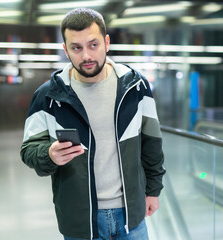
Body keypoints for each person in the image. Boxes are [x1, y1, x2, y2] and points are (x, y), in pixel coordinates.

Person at [20, 8, 165, 240]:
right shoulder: (47, 96)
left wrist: (153, 191)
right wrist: (49, 155)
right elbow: (28, 150)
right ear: (66, 50)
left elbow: (152, 143)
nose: (86, 55)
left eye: (93, 45)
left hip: (131, 215)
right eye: (76, 48)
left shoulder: (136, 87)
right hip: (81, 220)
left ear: (106, 42)